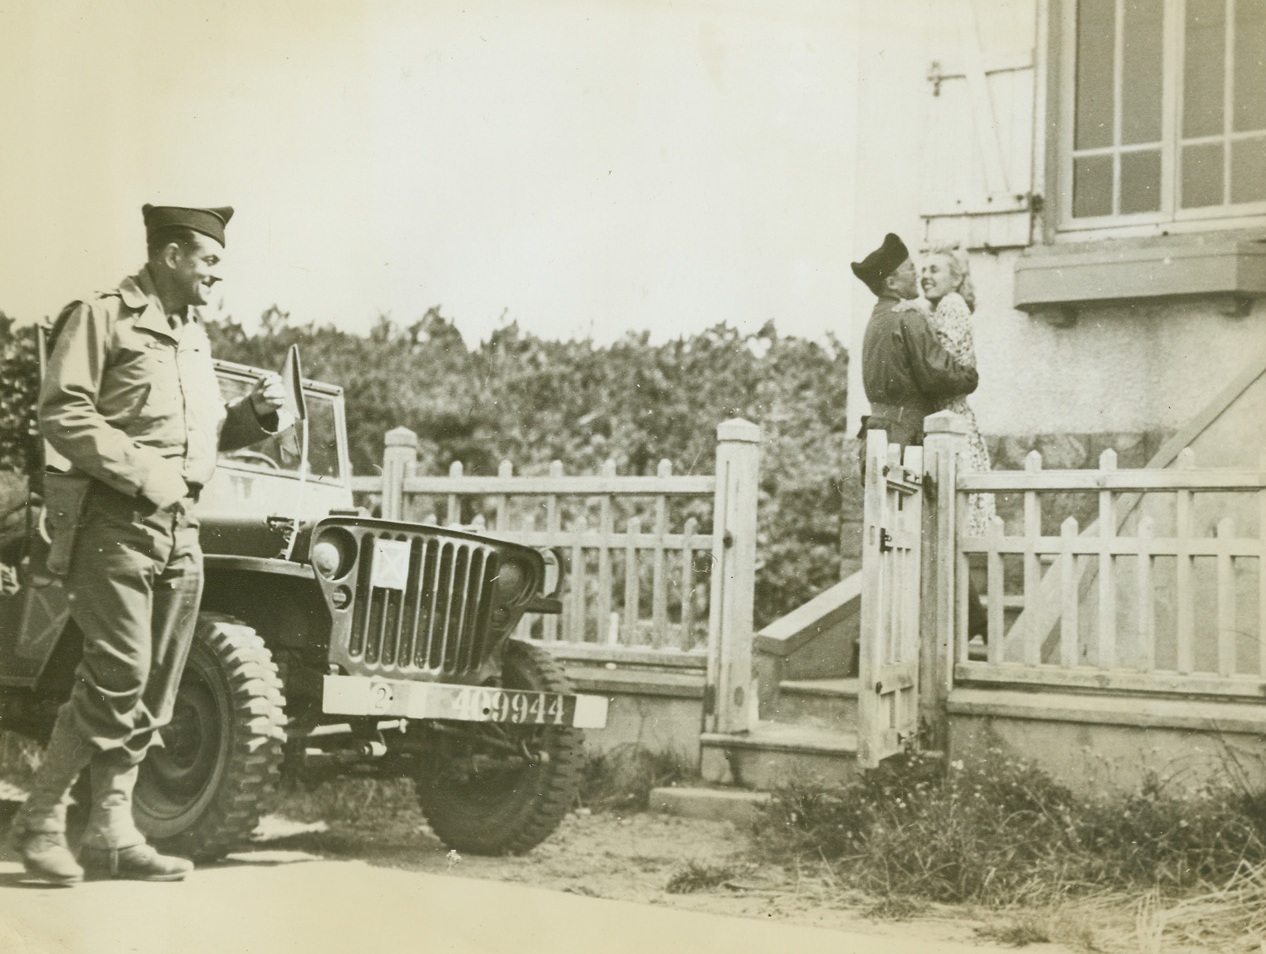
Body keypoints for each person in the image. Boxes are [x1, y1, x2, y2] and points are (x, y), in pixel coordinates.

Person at [11, 204, 285, 885]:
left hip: (179, 530)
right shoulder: (102, 316)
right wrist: (146, 473)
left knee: (156, 686)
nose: (218, 278)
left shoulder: (192, 335)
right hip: (114, 524)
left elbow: (204, 435)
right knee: (117, 674)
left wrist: (256, 418)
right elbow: (63, 412)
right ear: (170, 256)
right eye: (210, 263)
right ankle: (40, 821)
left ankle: (111, 830)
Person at [851, 232, 987, 638]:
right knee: (928, 534)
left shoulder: (877, 319)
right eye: (911, 270)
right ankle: (965, 621)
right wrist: (970, 376)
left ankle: (912, 628)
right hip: (909, 437)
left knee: (895, 538)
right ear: (893, 281)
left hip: (877, 435)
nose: (917, 277)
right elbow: (938, 374)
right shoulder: (908, 316)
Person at [915, 242, 997, 537]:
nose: (925, 276)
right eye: (923, 270)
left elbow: (938, 365)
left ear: (957, 278)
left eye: (934, 270)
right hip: (945, 417)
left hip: (949, 418)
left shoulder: (951, 304)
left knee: (955, 518)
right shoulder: (934, 308)